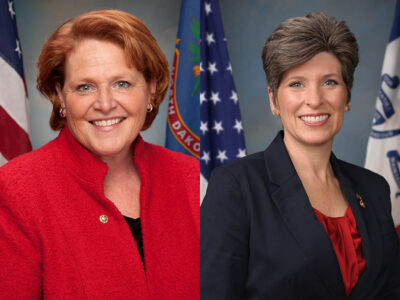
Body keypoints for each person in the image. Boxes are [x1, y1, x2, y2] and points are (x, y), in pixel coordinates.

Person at [0, 9, 199, 299]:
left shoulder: (192, 176)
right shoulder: (16, 189)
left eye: (122, 83)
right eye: (85, 87)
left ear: (151, 90)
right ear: (61, 95)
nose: (105, 104)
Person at [201, 12, 400, 299]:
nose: (315, 99)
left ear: (348, 96)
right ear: (274, 100)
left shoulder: (374, 188)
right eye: (296, 84)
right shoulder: (236, 187)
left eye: (330, 82)